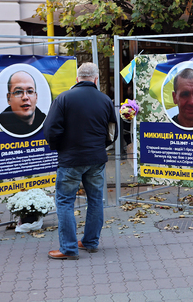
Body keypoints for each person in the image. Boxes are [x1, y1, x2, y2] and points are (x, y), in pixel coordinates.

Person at [44, 63, 117, 260]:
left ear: (77, 79)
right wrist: (100, 146)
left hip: (70, 159)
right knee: (95, 200)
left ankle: (68, 249)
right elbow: (112, 131)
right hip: (96, 159)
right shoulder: (105, 100)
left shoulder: (64, 98)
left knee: (65, 202)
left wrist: (59, 147)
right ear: (96, 80)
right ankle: (90, 242)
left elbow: (50, 129)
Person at [0, 70, 46, 136]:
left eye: (30, 91)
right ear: (8, 98)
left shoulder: (47, 121)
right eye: (18, 92)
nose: (25, 97)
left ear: (36, 97)